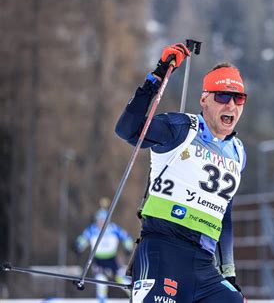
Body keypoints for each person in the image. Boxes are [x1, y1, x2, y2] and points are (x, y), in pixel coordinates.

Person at [115, 43, 247, 302]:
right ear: (204, 99)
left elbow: (224, 214)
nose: (230, 105)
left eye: (238, 98)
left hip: (203, 267)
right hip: (163, 251)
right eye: (221, 96)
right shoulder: (182, 129)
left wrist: (229, 275)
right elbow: (127, 130)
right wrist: (159, 74)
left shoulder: (239, 152)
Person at [75, 202, 133, 302]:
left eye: (103, 220)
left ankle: (133, 295)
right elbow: (83, 239)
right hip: (99, 259)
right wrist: (78, 247)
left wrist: (128, 247)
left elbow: (126, 237)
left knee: (121, 278)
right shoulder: (92, 229)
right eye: (99, 220)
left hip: (112, 259)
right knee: (101, 279)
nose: (101, 223)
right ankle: (102, 300)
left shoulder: (113, 228)